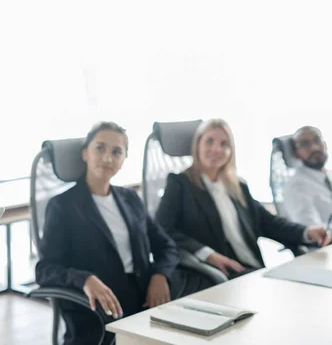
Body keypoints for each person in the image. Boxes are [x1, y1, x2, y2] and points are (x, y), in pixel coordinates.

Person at [35, 122, 182, 345]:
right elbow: (45, 270)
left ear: (124, 159)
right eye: (100, 148)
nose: (107, 158)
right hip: (97, 311)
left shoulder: (130, 199)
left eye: (117, 152)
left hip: (144, 302)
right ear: (85, 153)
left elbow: (166, 246)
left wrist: (160, 275)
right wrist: (85, 279)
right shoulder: (63, 206)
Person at [155, 119, 330, 279]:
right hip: (219, 275)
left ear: (231, 151)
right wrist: (206, 254)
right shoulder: (180, 184)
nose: (216, 149)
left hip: (255, 271)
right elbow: (163, 229)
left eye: (224, 144)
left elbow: (269, 223)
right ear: (197, 144)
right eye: (209, 141)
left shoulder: (237, 186)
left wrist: (306, 232)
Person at [284, 126, 332, 227]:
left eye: (317, 140)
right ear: (296, 153)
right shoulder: (297, 185)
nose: (315, 147)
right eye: (305, 144)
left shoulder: (329, 175)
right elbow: (313, 231)